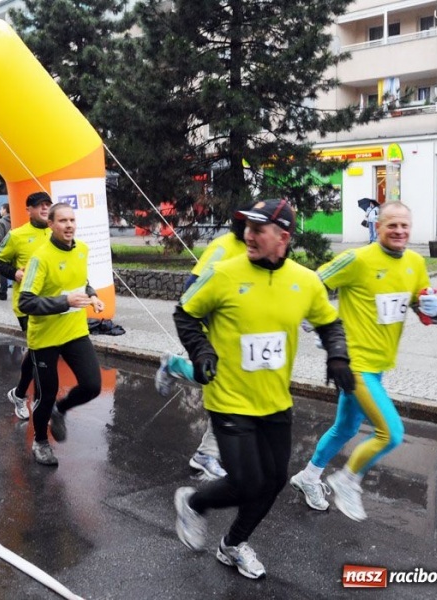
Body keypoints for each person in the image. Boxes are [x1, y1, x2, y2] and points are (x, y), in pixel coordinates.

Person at [172, 199, 355, 579]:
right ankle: (194, 503)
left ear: (283, 237)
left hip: (274, 402)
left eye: (258, 229)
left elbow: (329, 323)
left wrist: (337, 356)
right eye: (246, 228)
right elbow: (185, 312)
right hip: (229, 399)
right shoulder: (222, 273)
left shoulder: (304, 281)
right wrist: (202, 350)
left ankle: (233, 544)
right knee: (246, 481)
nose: (248, 235)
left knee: (272, 483)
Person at [289, 201, 437, 522]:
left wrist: (433, 310)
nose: (399, 231)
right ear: (378, 227)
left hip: (379, 366)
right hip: (354, 363)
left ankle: (308, 477)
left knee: (345, 427)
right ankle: (347, 479)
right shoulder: (357, 259)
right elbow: (313, 283)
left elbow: (421, 306)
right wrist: (316, 319)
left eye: (404, 226)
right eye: (392, 225)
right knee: (391, 433)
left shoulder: (415, 262)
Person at [155, 215, 248, 480]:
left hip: (241, 335)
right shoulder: (224, 247)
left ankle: (174, 366)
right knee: (223, 386)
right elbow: (192, 287)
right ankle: (207, 454)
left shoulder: (259, 250)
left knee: (221, 384)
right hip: (215, 329)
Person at [18, 202, 104, 466]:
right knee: (47, 393)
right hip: (45, 337)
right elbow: (26, 302)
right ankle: (41, 441)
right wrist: (65, 302)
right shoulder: (40, 258)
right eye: (63, 221)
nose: (69, 225)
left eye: (72, 220)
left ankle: (61, 409)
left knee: (92, 385)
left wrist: (93, 296)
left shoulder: (82, 250)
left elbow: (82, 282)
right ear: (51, 225)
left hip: (75, 331)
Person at [0, 191, 53, 420]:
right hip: (27, 304)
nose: (45, 209)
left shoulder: (55, 232)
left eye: (48, 204)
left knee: (39, 352)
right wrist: (14, 273)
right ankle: (40, 404)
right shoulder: (16, 235)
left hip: (52, 304)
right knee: (42, 354)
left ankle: (19, 394)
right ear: (28, 209)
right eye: (40, 205)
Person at [0, 203, 11, 301]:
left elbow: (0, 238)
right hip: (14, 248)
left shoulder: (1, 222)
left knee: (3, 272)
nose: (0, 211)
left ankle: (2, 294)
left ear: (5, 210)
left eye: (1, 209)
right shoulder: (14, 219)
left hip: (4, 250)